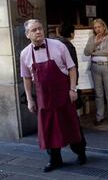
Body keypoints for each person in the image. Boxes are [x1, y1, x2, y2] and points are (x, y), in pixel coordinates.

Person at [20, 19, 87, 172]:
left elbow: (72, 68)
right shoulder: (24, 54)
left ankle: (81, 153)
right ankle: (54, 159)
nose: (38, 32)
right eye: (34, 30)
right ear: (27, 35)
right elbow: (26, 78)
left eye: (40, 28)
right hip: (44, 99)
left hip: (63, 95)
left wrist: (72, 89)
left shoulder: (58, 46)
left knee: (71, 125)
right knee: (48, 130)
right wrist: (30, 100)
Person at [84, 18, 108, 125]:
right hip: (95, 68)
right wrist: (94, 44)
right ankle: (100, 116)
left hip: (107, 68)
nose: (97, 29)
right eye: (95, 28)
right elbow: (86, 52)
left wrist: (95, 52)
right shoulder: (92, 38)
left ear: (104, 27)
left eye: (99, 27)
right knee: (98, 94)